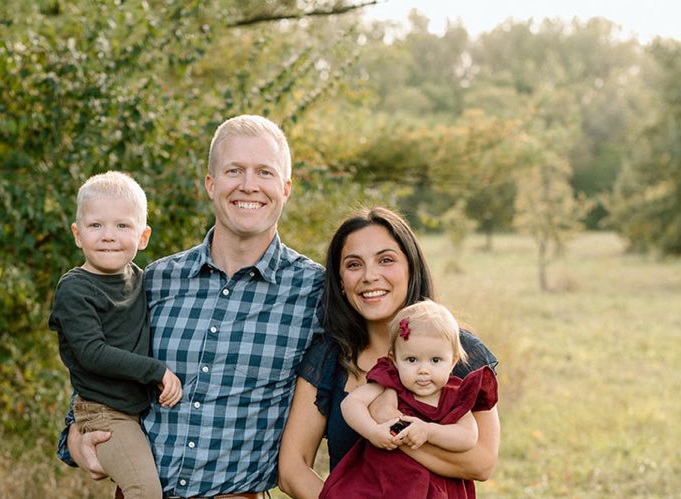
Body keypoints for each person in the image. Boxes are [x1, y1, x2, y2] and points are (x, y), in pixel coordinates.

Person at [59, 115, 325, 498]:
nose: (248, 185)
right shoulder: (155, 280)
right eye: (234, 170)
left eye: (264, 172)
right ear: (211, 184)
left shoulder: (314, 292)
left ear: (285, 188)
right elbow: (99, 360)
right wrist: (74, 433)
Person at [277, 207, 500, 499]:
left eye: (386, 260)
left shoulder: (458, 349)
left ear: (411, 267)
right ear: (341, 282)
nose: (370, 276)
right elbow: (293, 469)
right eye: (354, 265)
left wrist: (391, 421)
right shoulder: (329, 355)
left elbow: (481, 463)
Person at [48, 171, 184, 499]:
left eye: (122, 226)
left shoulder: (139, 279)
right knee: (144, 491)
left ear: (143, 236)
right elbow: (92, 353)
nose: (109, 236)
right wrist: (157, 371)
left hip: (134, 412)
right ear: (78, 235)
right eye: (96, 226)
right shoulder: (75, 289)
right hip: (105, 414)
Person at [319, 300, 498, 498]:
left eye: (435, 360)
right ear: (394, 359)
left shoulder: (455, 396)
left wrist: (429, 431)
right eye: (411, 360)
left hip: (435, 491)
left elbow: (467, 437)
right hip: (382, 485)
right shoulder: (390, 382)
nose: (423, 370)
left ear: (453, 360)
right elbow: (351, 403)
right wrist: (372, 430)